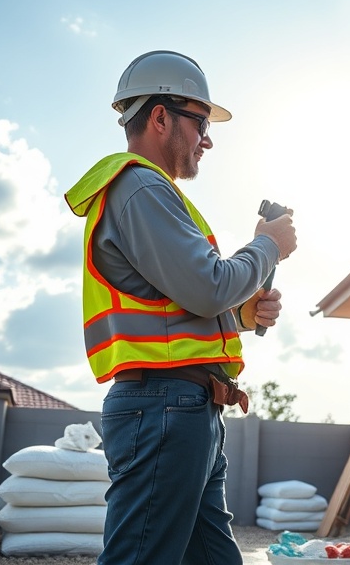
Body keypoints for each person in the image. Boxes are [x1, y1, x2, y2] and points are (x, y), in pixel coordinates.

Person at [64, 50, 296, 565]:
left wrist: (240, 315)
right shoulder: (141, 186)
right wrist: (268, 247)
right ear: (160, 116)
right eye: (200, 122)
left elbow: (180, 303)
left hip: (183, 408)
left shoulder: (152, 193)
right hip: (165, 408)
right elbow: (209, 286)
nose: (207, 139)